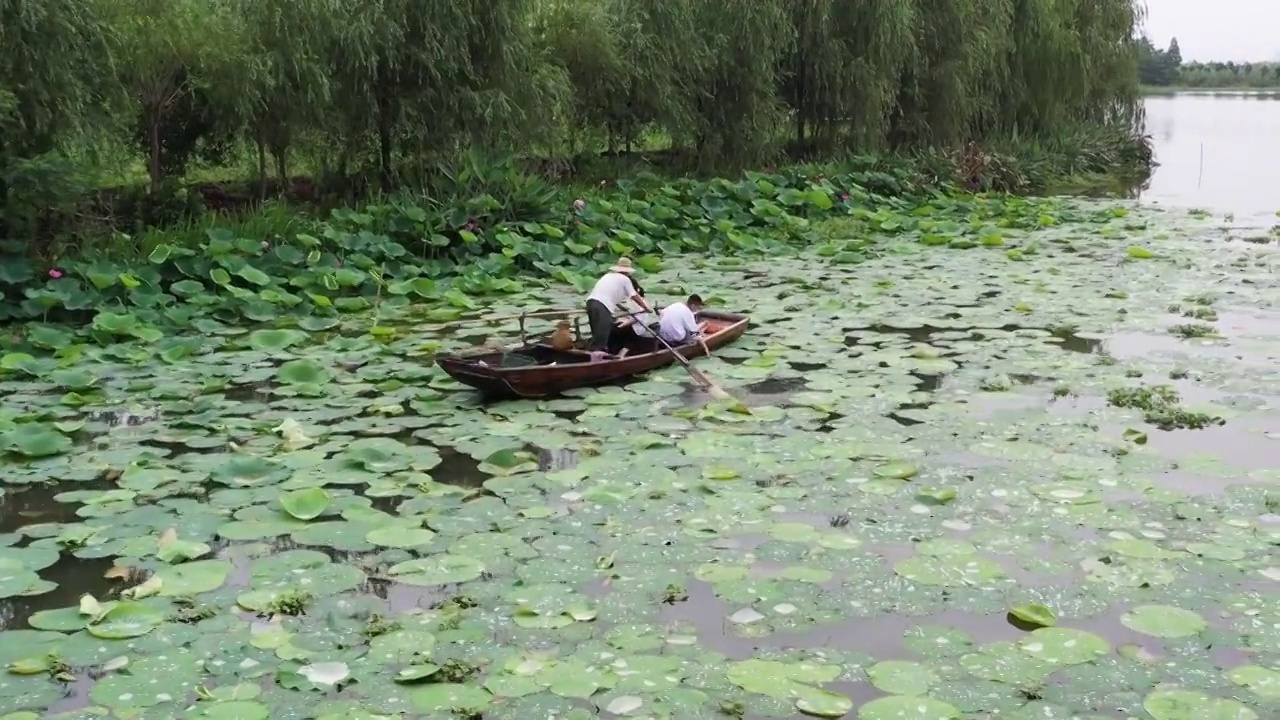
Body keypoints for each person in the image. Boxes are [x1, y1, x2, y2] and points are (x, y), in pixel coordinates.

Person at [584, 257, 651, 352]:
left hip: (591, 302)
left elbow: (612, 295)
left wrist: (622, 307)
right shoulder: (625, 279)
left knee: (597, 331)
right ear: (627, 272)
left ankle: (593, 352)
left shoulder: (608, 276)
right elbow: (634, 295)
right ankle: (598, 356)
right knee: (603, 333)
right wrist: (645, 307)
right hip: (602, 305)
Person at [636, 294, 709, 354]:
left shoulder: (676, 304)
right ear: (693, 305)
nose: (697, 309)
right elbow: (694, 332)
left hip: (662, 334)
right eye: (698, 307)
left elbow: (661, 315)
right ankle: (704, 326)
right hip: (674, 338)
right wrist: (705, 348)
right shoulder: (688, 313)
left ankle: (703, 326)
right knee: (694, 334)